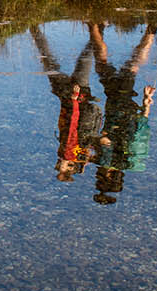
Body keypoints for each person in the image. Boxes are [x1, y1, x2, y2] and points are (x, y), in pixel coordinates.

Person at [88, 22, 156, 204]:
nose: (96, 177)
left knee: (130, 68)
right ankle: (93, 24)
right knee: (108, 65)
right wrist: (90, 146)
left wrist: (146, 103)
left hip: (130, 108)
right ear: (108, 176)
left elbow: (142, 126)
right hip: (117, 104)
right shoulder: (106, 160)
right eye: (99, 180)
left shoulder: (127, 162)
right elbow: (105, 139)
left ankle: (151, 32)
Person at [30, 26, 104, 182]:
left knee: (84, 58)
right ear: (70, 166)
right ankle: (34, 29)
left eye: (60, 167)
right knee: (51, 62)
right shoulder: (70, 152)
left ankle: (99, 27)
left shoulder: (78, 154)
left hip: (78, 96)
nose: (61, 164)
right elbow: (72, 125)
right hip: (72, 97)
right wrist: (74, 99)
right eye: (64, 167)